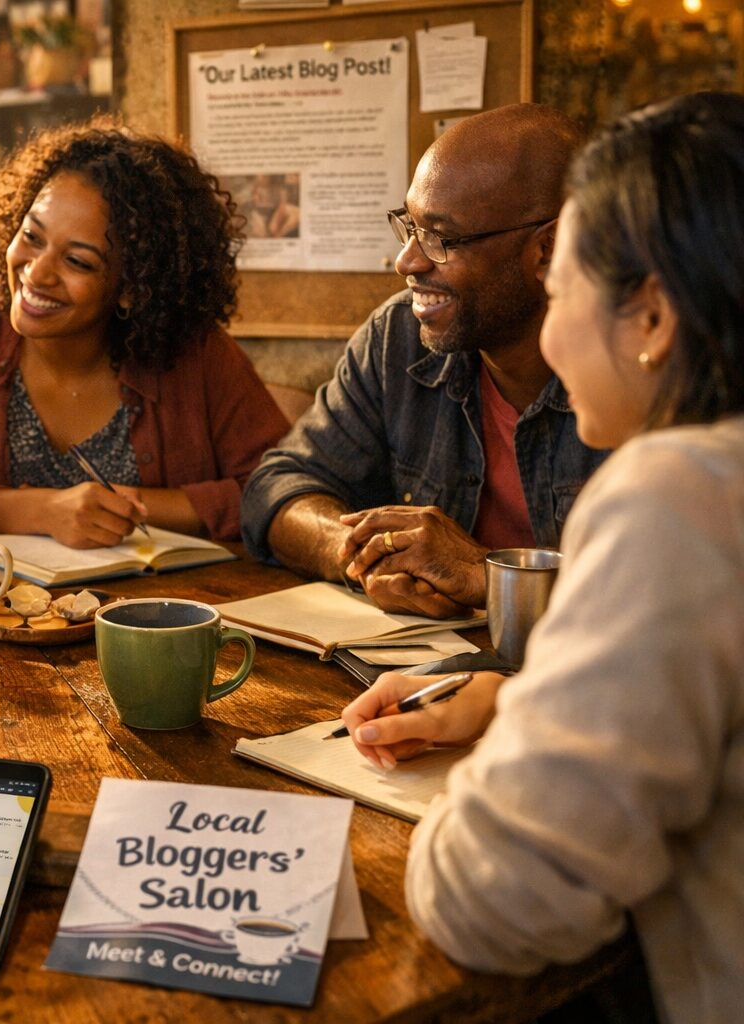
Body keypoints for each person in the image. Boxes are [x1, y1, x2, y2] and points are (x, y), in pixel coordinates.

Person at [340, 92, 744, 1023]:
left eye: (561, 292)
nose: (554, 337)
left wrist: (483, 783)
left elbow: (495, 902)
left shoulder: (678, 496)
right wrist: (517, 697)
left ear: (650, 319)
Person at [241, 104, 607, 618]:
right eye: (408, 227)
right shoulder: (400, 339)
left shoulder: (637, 368)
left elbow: (686, 601)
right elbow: (276, 489)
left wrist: (486, 575)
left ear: (548, 247)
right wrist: (366, 558)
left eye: (439, 237)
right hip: (427, 677)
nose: (406, 261)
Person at [0, 121, 288, 548]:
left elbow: (277, 488)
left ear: (131, 287)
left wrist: (132, 506)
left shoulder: (195, 352)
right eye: (31, 236)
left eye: (78, 262)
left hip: (158, 609)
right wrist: (43, 512)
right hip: (3, 607)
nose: (38, 272)